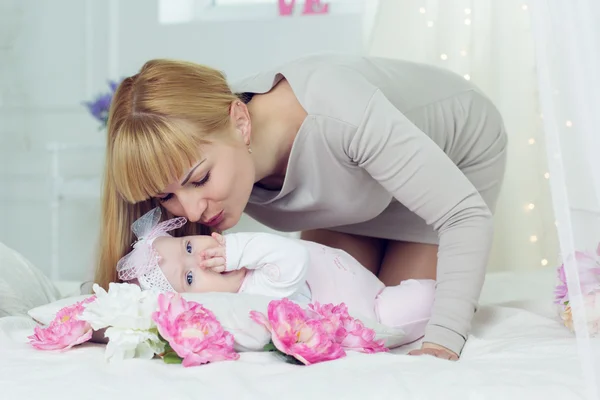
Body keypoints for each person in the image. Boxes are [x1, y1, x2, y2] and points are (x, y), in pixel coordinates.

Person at [96, 53, 507, 361]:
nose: (189, 210)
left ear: (241, 122)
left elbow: (463, 216)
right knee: (339, 319)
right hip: (351, 195)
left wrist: (443, 343)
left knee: (396, 325)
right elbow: (160, 268)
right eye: (167, 196)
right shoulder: (201, 147)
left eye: (199, 179)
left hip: (450, 158)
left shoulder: (337, 116)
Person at [116, 207, 436, 347]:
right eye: (189, 279)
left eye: (188, 246)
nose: (201, 260)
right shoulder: (255, 296)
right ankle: (447, 302)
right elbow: (292, 256)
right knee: (423, 299)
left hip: (360, 276)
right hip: (373, 310)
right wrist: (236, 250)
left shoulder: (246, 261)